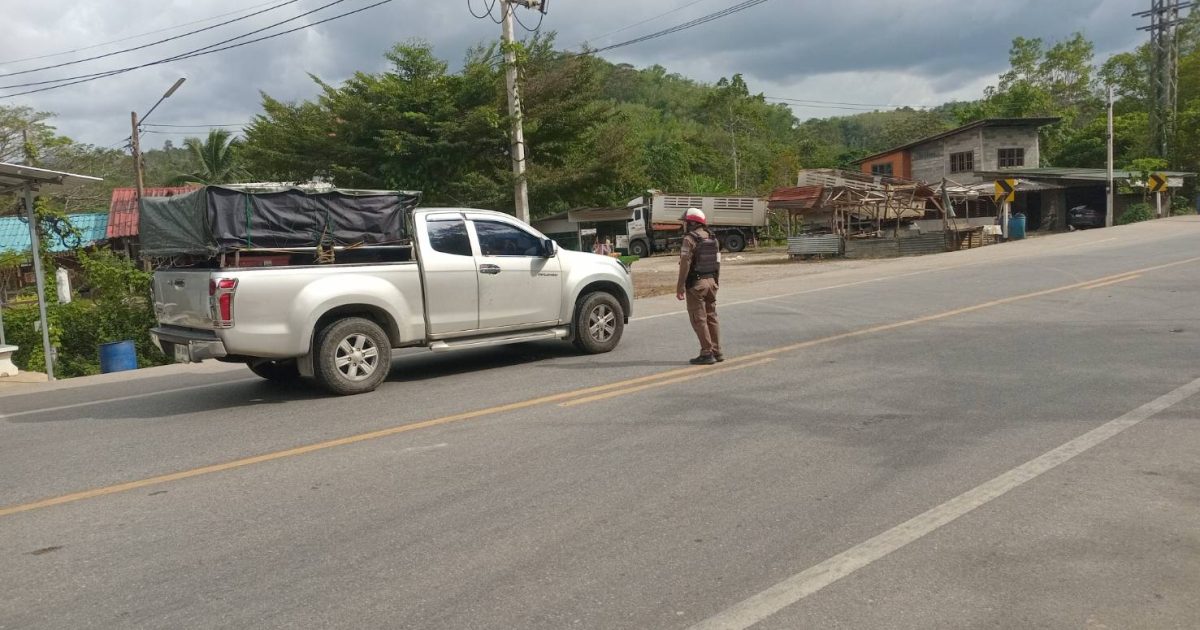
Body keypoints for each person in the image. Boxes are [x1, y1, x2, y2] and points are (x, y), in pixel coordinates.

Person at [676, 207, 722, 365]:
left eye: (685, 222)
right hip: (711, 282)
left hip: (697, 285)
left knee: (699, 319)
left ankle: (707, 353)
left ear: (692, 223)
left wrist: (680, 286)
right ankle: (717, 351)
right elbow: (717, 262)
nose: (683, 225)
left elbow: (685, 264)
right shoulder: (713, 238)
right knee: (712, 317)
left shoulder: (689, 239)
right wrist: (716, 281)